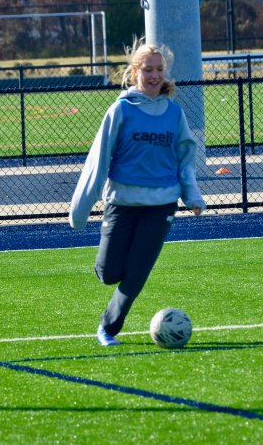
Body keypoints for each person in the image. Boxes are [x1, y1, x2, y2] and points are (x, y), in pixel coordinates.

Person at [69, 39, 206, 346]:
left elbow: (185, 160)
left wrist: (193, 196)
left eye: (159, 69)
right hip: (122, 203)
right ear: (135, 72)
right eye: (148, 69)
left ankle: (108, 328)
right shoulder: (121, 110)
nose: (155, 75)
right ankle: (108, 271)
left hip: (161, 205)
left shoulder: (174, 114)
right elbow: (98, 160)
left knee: (137, 273)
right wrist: (80, 210)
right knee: (109, 273)